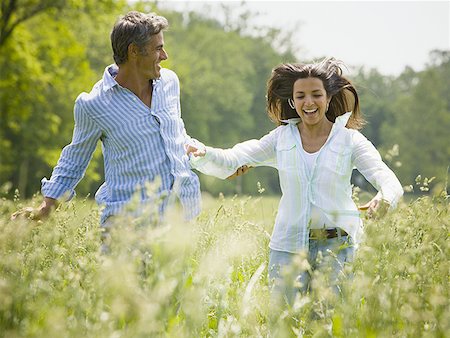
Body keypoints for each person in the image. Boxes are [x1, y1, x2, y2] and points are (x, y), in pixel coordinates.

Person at [187, 58, 404, 304]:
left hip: (336, 250)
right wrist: (201, 153)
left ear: (328, 98)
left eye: (316, 95)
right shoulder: (281, 139)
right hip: (287, 249)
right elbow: (233, 158)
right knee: (284, 324)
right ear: (292, 101)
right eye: (300, 96)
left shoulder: (349, 140)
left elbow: (387, 178)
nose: (308, 102)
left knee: (330, 326)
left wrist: (385, 198)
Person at [11, 11, 207, 235]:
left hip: (178, 222)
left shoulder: (169, 82)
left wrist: (204, 154)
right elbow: (74, 159)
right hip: (127, 228)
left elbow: (176, 135)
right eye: (157, 48)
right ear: (134, 51)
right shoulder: (94, 104)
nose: (165, 55)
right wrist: (46, 207)